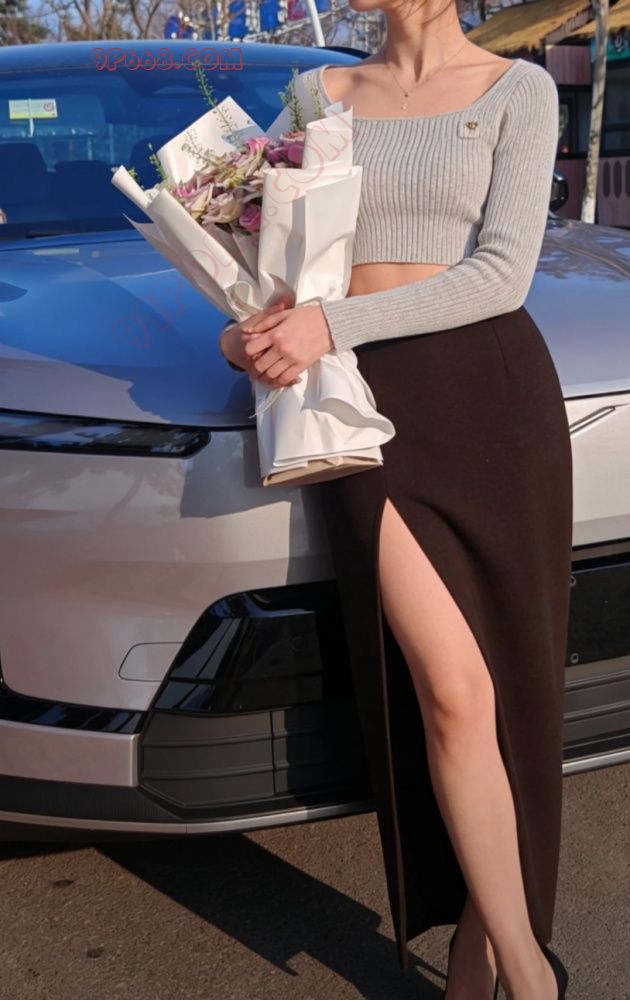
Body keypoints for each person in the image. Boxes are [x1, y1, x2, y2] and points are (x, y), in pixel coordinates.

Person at [219, 2, 573, 997]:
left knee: (514, 691)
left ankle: (478, 958)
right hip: (360, 410)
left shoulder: (520, 90)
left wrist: (332, 323)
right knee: (453, 691)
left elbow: (502, 274)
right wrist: (241, 334)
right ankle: (533, 977)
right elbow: (256, 257)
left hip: (491, 401)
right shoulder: (315, 94)